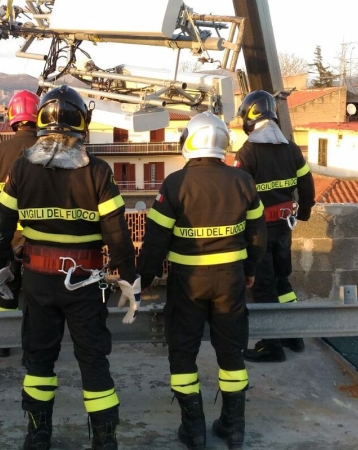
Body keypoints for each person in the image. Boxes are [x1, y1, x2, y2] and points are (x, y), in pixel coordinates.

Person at [0, 85, 141, 450]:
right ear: (82, 124)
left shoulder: (22, 167)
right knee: (93, 363)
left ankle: (37, 436)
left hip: (39, 282)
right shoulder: (98, 172)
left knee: (39, 362)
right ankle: (105, 442)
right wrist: (131, 279)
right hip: (86, 284)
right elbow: (118, 236)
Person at [138, 112, 266, 450]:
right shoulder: (244, 182)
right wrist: (250, 268)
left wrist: (142, 279)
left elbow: (155, 241)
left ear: (189, 141)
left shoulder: (175, 184)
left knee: (183, 354)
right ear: (223, 143)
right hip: (231, 281)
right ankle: (234, 429)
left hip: (187, 282)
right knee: (232, 354)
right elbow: (258, 235)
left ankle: (193, 431)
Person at [233, 90, 315, 363]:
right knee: (282, 280)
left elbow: (238, 193)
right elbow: (306, 183)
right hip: (283, 227)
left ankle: (271, 344)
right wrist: (304, 211)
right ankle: (293, 335)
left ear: (249, 117)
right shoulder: (290, 148)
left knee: (263, 285)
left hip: (259, 231)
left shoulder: (248, 152)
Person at [0, 90, 40, 358]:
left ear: (13, 118)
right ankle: (37, 343)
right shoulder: (49, 149)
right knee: (40, 290)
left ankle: (2, 342)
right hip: (41, 232)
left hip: (7, 232)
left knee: (7, 286)